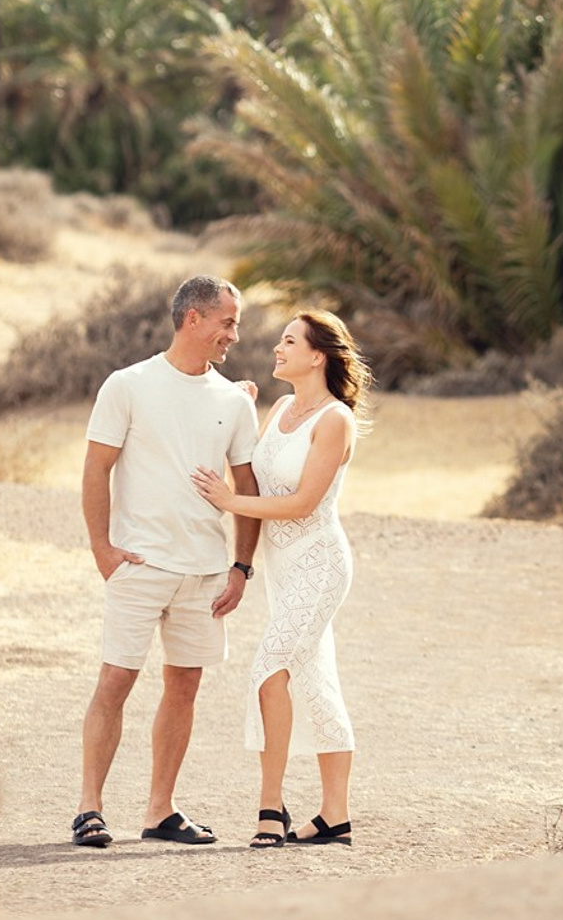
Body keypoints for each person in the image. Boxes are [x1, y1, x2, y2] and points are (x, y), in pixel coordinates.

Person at [71, 275, 262, 850]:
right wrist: (103, 550)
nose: (235, 334)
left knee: (184, 687)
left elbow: (246, 487)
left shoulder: (234, 400)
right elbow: (95, 470)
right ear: (193, 320)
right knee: (116, 681)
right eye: (228, 322)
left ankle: (161, 810)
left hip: (204, 572)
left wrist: (240, 567)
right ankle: (89, 809)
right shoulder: (127, 385)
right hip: (139, 564)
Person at [191, 308, 368, 849]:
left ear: (317, 356)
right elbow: (261, 475)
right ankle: (334, 815)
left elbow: (300, 503)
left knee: (269, 668)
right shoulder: (284, 407)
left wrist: (228, 501)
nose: (277, 348)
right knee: (315, 682)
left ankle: (271, 809)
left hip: (319, 564)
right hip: (282, 570)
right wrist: (239, 410)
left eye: (289, 342)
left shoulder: (335, 419)